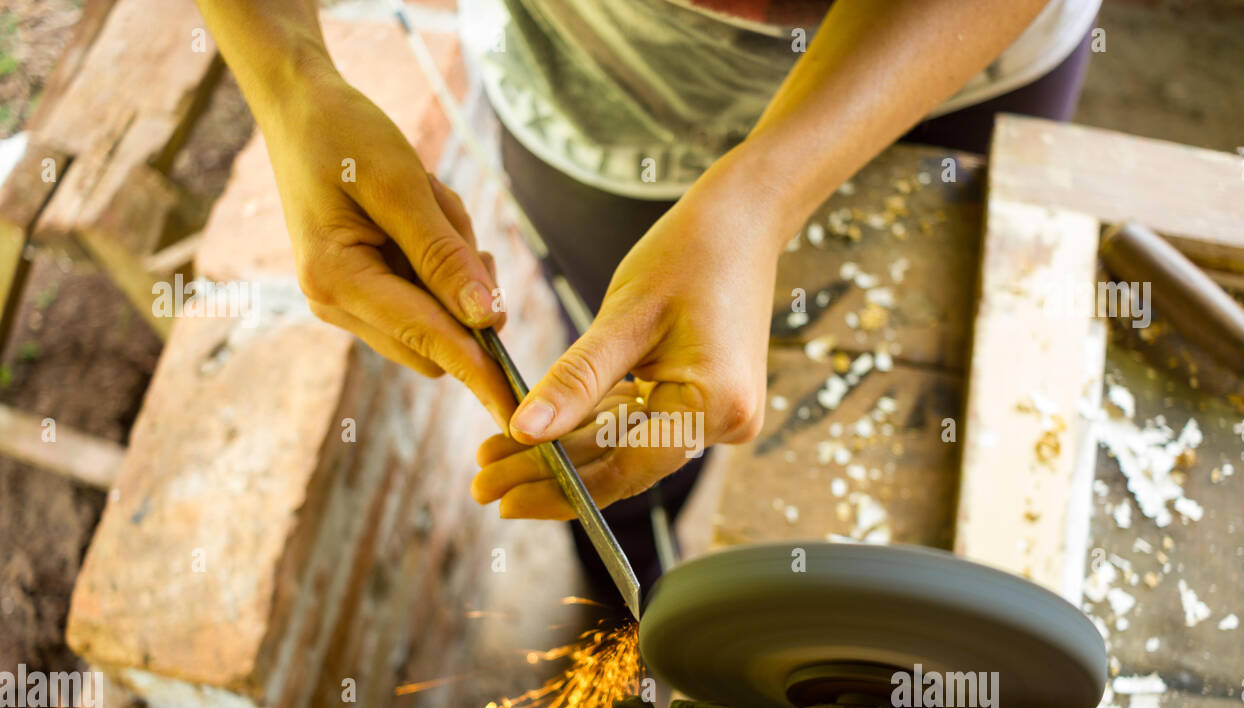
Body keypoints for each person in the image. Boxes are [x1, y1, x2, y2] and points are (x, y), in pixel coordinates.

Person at [197, 0, 1099, 598]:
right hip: (603, 91)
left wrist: (763, 194)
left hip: (940, 55)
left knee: (919, 386)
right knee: (631, 426)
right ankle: (625, 596)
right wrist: (289, 84)